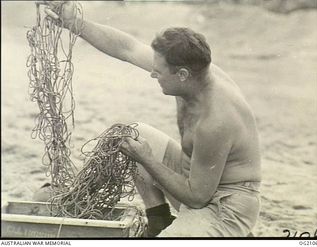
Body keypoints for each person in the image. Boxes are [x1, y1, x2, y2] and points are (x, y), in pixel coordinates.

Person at [40, 1, 262, 237]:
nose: (153, 74)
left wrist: (147, 159)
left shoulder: (215, 120)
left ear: (182, 75)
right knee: (131, 133)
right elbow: (127, 48)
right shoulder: (194, 73)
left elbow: (197, 198)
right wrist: (74, 23)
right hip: (196, 181)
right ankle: (159, 221)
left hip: (226, 206)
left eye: (159, 71)